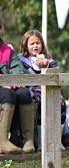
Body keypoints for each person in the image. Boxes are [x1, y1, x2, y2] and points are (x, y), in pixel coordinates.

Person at [0, 17, 36, 153]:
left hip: (7, 89)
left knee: (24, 93)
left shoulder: (7, 50)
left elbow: (19, 69)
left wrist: (15, 80)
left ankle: (27, 140)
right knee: (8, 94)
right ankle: (2, 141)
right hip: (3, 91)